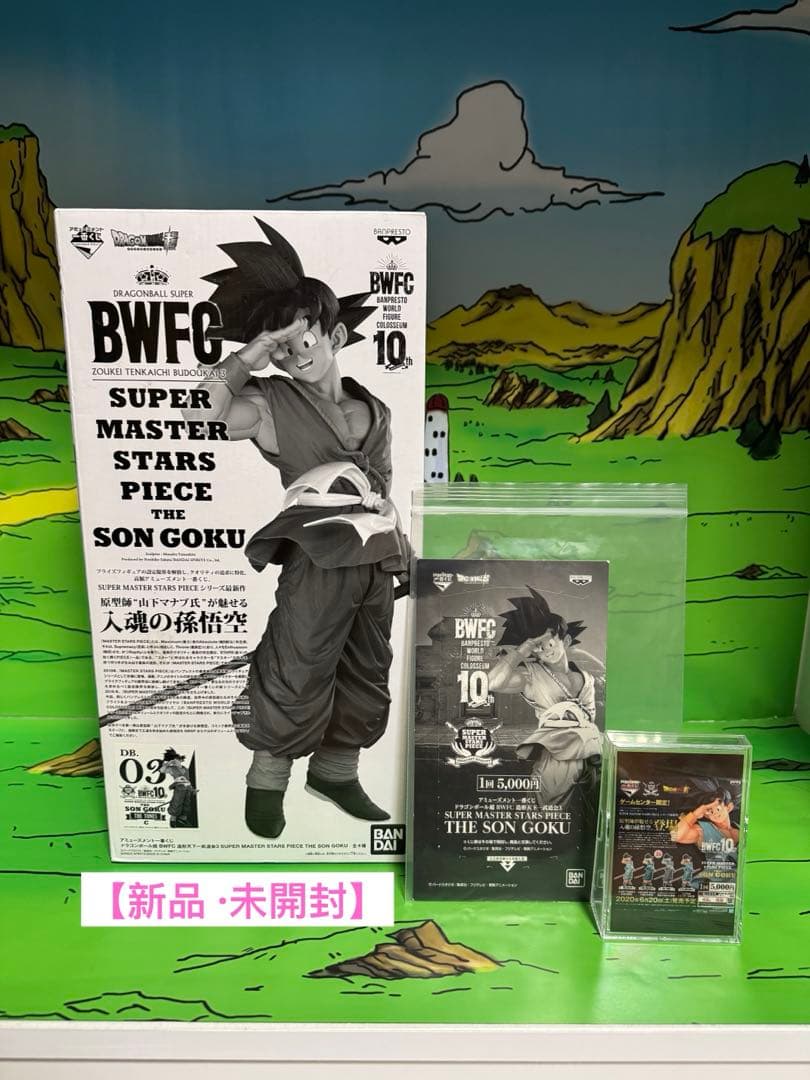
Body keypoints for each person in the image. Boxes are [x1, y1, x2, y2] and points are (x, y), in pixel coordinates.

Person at [187, 219, 408, 839]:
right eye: (280, 349)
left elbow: (382, 491)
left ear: (334, 335)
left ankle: (336, 773)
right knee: (298, 663)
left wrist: (406, 553)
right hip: (317, 560)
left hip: (376, 563)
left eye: (301, 340)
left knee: (367, 667)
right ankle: (266, 781)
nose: (292, 356)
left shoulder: (375, 408)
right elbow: (201, 414)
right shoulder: (269, 403)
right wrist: (251, 353)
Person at [488, 586, 602, 806]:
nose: (545, 651)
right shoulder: (531, 675)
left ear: (565, 641)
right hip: (556, 762)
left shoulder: (587, 678)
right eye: (537, 648)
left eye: (549, 643)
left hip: (591, 759)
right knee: (542, 815)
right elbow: (491, 683)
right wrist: (523, 649)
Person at [670, 788, 739, 864]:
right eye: (710, 811)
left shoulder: (740, 827)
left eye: (718, 808)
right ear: (706, 815)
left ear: (729, 807)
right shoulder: (704, 830)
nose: (715, 813)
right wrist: (695, 814)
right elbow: (675, 836)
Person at [159, 748, 198, 829]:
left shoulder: (185, 769)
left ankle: (182, 819)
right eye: (174, 761)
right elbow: (162, 771)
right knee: (176, 804)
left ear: (181, 760)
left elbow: (188, 780)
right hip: (179, 789)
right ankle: (173, 819)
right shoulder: (172, 769)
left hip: (187, 789)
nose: (176, 762)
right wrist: (167, 764)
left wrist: (192, 789)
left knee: (187, 804)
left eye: (177, 760)